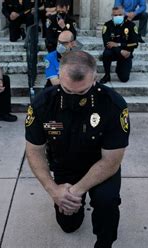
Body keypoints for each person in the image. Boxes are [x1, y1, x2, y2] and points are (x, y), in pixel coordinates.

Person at [25, 51, 130, 248]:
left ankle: (104, 243)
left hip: (100, 166)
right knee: (68, 225)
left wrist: (75, 191)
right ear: (59, 76)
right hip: (64, 166)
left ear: (94, 78)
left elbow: (111, 161)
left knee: (107, 202)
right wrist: (54, 191)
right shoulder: (43, 104)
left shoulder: (113, 105)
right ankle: (71, 209)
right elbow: (34, 150)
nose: (73, 96)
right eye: (66, 89)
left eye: (81, 92)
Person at [99, 6, 139, 84]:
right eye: (115, 15)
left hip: (126, 54)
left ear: (124, 15)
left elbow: (135, 44)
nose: (118, 17)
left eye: (120, 14)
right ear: (112, 15)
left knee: (124, 79)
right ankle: (107, 75)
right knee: (106, 53)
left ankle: (119, 68)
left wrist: (118, 44)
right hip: (114, 52)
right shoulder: (107, 25)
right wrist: (120, 50)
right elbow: (107, 43)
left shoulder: (131, 25)